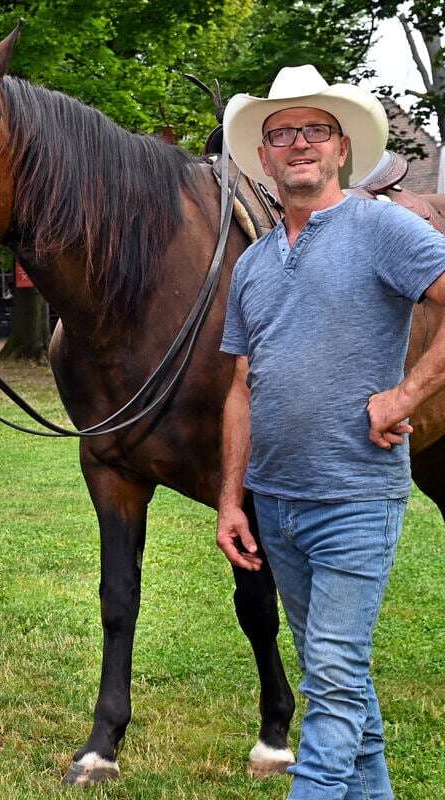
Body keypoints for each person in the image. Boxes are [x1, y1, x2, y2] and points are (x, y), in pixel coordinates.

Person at [217, 65, 445, 799]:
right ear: (263, 158)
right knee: (335, 676)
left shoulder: (383, 228)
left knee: (335, 681)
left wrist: (406, 393)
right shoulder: (252, 263)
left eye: (314, 130)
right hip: (277, 506)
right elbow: (240, 387)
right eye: (281, 135)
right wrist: (230, 500)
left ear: (342, 148)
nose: (298, 145)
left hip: (354, 497)